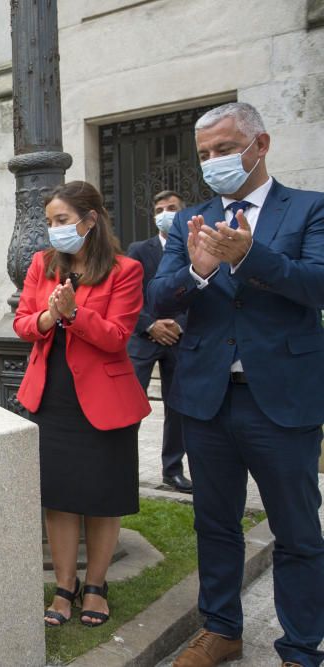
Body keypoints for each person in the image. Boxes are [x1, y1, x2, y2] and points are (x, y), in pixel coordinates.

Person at [149, 102, 324, 667]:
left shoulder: (309, 209)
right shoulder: (189, 220)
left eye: (224, 149)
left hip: (281, 399)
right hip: (206, 399)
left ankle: (299, 647)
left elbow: (316, 285)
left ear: (260, 145)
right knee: (214, 522)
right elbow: (158, 297)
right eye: (205, 155)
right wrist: (198, 271)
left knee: (297, 532)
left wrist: (252, 256)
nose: (214, 162)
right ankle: (220, 629)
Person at [14, 180, 151, 628]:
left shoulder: (124, 270)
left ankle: (95, 586)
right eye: (50, 221)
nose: (55, 230)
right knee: (60, 499)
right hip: (51, 397)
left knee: (101, 498)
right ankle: (64, 587)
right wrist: (50, 315)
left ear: (90, 221)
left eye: (63, 221)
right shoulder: (40, 264)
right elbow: (22, 324)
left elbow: (116, 337)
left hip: (103, 400)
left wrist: (75, 314)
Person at [126, 190, 192, 493]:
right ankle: (123, 467)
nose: (165, 212)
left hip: (180, 339)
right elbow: (128, 293)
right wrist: (150, 324)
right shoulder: (139, 249)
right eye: (160, 209)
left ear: (184, 212)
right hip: (143, 338)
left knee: (177, 407)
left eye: (172, 208)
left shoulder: (195, 250)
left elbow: (203, 292)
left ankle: (173, 470)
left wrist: (178, 325)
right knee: (130, 405)